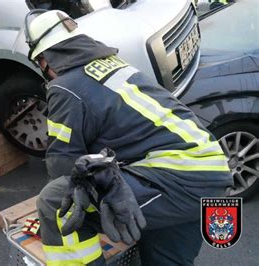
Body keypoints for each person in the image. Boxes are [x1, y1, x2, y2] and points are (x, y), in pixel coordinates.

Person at [24, 10, 233, 265]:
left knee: (56, 202)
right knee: (165, 257)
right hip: (210, 170)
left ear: (45, 60)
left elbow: (61, 167)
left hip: (175, 175)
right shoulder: (115, 64)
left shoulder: (64, 86)